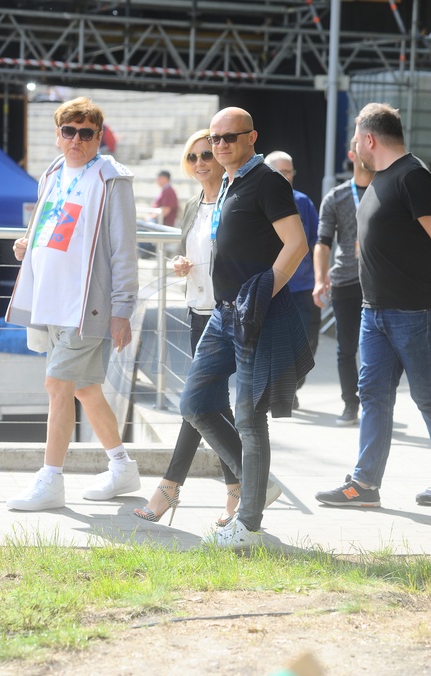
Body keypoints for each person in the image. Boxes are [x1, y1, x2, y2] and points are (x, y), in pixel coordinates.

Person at [179, 106, 314, 549]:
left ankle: (248, 525)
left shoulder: (268, 181)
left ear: (251, 138)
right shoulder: (229, 183)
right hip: (222, 313)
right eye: (214, 138)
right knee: (195, 403)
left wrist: (263, 291)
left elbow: (297, 244)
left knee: (250, 419)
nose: (219, 145)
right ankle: (258, 484)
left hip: (255, 313)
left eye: (229, 138)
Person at [5, 96, 141, 511]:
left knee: (57, 385)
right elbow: (53, 225)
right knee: (84, 389)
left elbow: (124, 248)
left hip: (87, 306)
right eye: (69, 131)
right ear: (58, 135)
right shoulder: (53, 172)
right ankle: (122, 467)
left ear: (99, 137)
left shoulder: (111, 178)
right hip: (51, 300)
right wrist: (29, 243)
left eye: (86, 133)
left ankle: (51, 480)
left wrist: (122, 309)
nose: (76, 140)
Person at [315, 102, 431, 509]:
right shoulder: (380, 179)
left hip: (414, 313)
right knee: (374, 397)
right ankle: (365, 485)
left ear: (369, 139)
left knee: (427, 397)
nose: (353, 147)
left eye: (355, 139)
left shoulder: (413, 176)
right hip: (374, 312)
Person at [134, 129, 241, 526]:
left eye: (206, 155)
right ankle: (240, 487)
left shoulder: (234, 201)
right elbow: (191, 253)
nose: (200, 163)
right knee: (211, 404)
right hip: (197, 312)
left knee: (195, 403)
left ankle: (170, 486)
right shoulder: (193, 205)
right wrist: (180, 264)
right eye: (193, 157)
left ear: (220, 157)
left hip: (226, 314)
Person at [312, 138, 374, 426]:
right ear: (352, 154)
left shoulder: (388, 191)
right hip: (346, 281)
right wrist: (319, 278)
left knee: (383, 348)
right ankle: (351, 403)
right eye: (363, 146)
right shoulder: (336, 197)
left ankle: (375, 402)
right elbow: (322, 242)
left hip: (381, 281)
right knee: (346, 348)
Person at [265, 151, 320, 409]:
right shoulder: (259, 202)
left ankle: (292, 384)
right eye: (281, 172)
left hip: (303, 286)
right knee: (276, 342)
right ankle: (282, 389)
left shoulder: (303, 202)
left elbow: (317, 241)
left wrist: (320, 276)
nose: (287, 177)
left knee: (308, 342)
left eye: (290, 172)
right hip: (272, 287)